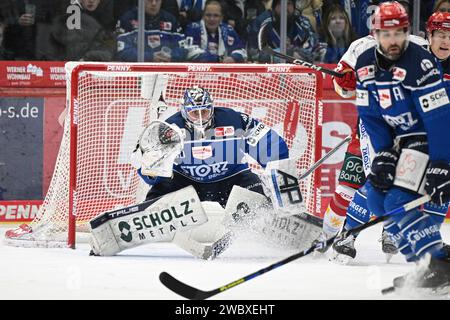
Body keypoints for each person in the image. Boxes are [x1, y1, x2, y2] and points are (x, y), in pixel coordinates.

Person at [349, 1, 450, 290]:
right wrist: (382, 154)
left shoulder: (421, 64)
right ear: (376, 34)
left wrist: (442, 163)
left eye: (398, 34)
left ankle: (437, 266)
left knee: (398, 201)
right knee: (377, 200)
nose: (392, 41)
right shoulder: (365, 65)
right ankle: (429, 263)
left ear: (407, 32)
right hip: (399, 141)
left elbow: (440, 119)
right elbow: (369, 115)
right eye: (386, 34)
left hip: (428, 138)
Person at [135, 87, 289, 208]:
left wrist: (276, 171)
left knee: (259, 197)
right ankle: (146, 218)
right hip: (186, 182)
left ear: (212, 108)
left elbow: (270, 143)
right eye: (195, 113)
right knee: (159, 194)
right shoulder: (169, 128)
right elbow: (151, 172)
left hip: (231, 179)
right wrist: (152, 172)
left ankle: (271, 220)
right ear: (184, 111)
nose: (201, 118)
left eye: (205, 111)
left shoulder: (234, 120)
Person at [247, 0, 321, 63]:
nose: (285, 7)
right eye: (280, 3)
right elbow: (253, 54)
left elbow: (314, 51)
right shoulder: (261, 22)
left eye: (288, 3)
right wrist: (289, 54)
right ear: (274, 7)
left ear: (294, 6)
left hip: (298, 72)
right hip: (268, 73)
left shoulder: (303, 23)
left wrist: (295, 51)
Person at [115, 0, 189, 62]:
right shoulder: (127, 19)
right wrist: (150, 57)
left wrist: (170, 56)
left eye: (157, 0)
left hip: (165, 72)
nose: (154, 3)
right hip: (137, 73)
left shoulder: (171, 20)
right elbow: (121, 51)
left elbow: (183, 48)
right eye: (150, 0)